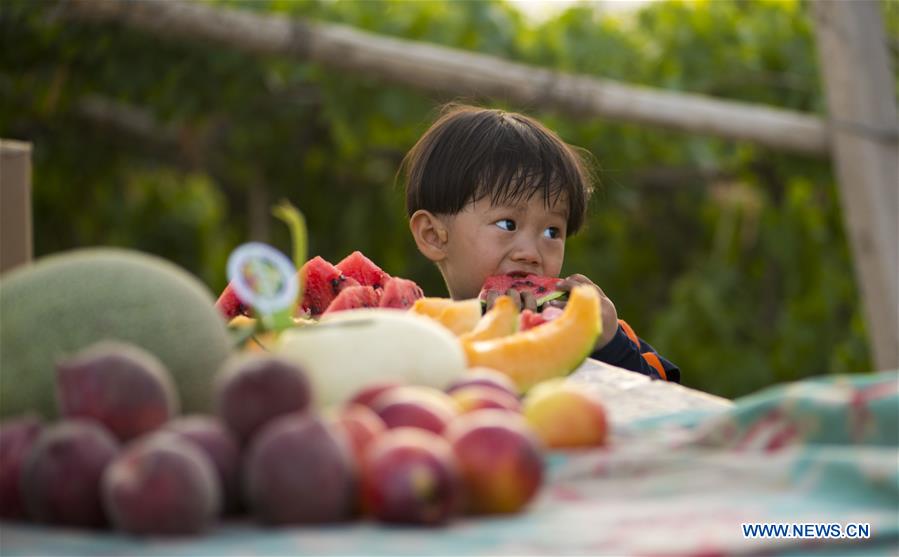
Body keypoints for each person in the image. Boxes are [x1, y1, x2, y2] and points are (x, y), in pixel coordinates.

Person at [400, 104, 680, 382]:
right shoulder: (418, 341)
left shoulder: (594, 333)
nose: (531, 254)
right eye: (507, 224)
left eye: (551, 232)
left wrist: (610, 345)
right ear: (433, 235)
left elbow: (667, 401)